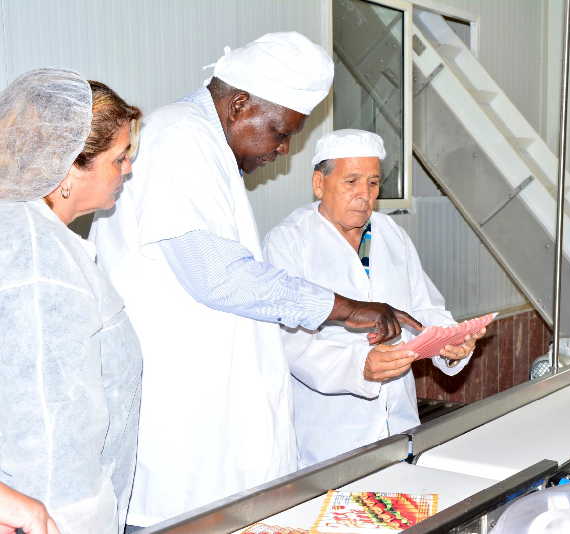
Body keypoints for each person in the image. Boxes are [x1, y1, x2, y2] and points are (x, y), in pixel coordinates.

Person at [90, 32, 421, 527]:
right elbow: (219, 278)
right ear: (239, 104)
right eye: (280, 132)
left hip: (223, 437)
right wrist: (351, 309)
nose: (283, 149)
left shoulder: (210, 151)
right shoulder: (178, 139)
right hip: (183, 436)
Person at [264, 130, 486, 467]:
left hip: (400, 425)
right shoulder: (290, 242)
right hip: (330, 436)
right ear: (319, 183)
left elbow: (424, 308)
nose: (363, 195)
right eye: (351, 181)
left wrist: (449, 344)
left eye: (372, 183)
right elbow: (287, 341)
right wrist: (358, 367)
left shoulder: (390, 233)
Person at [0, 69, 143, 534]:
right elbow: (45, 425)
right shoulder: (38, 263)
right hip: (58, 512)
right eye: (119, 158)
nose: (128, 169)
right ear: (68, 166)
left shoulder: (37, 239)